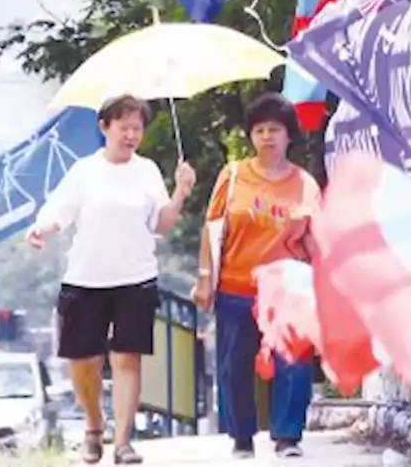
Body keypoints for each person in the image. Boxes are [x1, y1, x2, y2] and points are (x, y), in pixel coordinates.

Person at [26, 95, 196, 466]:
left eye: (137, 128)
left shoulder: (147, 170)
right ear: (104, 127)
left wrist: (181, 192)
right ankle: (93, 425)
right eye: (124, 127)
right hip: (86, 279)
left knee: (127, 358)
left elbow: (162, 225)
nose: (132, 135)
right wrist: (42, 228)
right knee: (83, 360)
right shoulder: (84, 172)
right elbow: (58, 212)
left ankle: (122, 441)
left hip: (135, 278)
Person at [192, 93, 322, 460]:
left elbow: (317, 236)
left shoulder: (304, 183)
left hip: (288, 291)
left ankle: (287, 436)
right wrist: (205, 278)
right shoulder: (233, 176)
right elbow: (212, 227)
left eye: (275, 129)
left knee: (293, 364)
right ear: (251, 136)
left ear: (288, 136)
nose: (267, 137)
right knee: (234, 366)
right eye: (260, 130)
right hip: (236, 286)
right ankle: (242, 436)